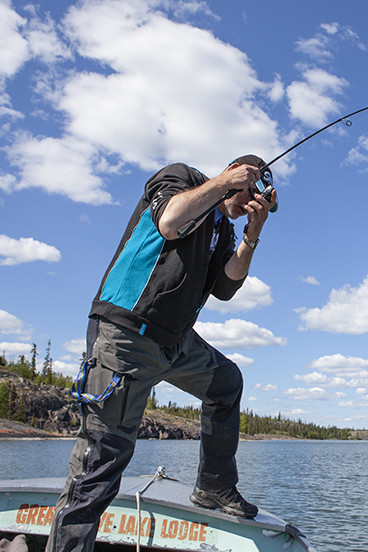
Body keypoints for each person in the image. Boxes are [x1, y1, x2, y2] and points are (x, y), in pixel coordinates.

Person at [46, 155, 277, 552]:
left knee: (226, 382)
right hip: (127, 334)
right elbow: (169, 222)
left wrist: (251, 235)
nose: (249, 205)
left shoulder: (224, 229)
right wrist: (224, 183)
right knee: (100, 466)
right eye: (250, 195)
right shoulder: (182, 178)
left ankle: (213, 487)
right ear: (239, 173)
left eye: (259, 203)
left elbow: (225, 286)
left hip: (174, 343)